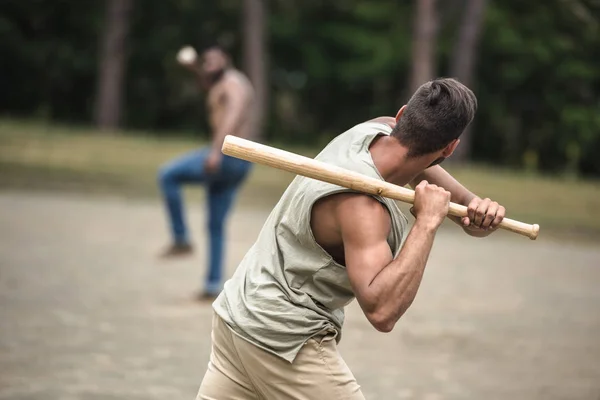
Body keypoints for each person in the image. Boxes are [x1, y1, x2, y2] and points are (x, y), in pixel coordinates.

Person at [197, 78, 506, 399]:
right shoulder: (362, 208)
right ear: (451, 147)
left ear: (401, 115)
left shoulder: (376, 128)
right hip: (282, 339)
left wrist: (477, 207)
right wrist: (426, 224)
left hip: (237, 318)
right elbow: (382, 312)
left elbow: (466, 214)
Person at [157, 42, 255, 300]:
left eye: (214, 60)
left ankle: (181, 238)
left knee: (168, 175)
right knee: (215, 224)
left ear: (227, 60)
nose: (209, 64)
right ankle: (213, 285)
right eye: (206, 61)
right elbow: (210, 87)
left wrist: (216, 150)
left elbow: (233, 113)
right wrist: (193, 69)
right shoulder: (222, 82)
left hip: (228, 155)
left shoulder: (234, 83)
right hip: (240, 160)